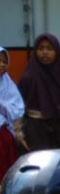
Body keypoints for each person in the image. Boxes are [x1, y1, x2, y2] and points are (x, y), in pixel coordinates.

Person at [17, 33, 60, 152]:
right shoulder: (28, 77)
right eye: (40, 49)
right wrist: (19, 134)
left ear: (57, 51)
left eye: (50, 49)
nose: (45, 52)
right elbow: (18, 106)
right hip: (36, 128)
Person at [0, 46, 24, 180]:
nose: (2, 65)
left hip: (3, 139)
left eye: (4, 61)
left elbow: (18, 110)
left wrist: (2, 105)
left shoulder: (8, 85)